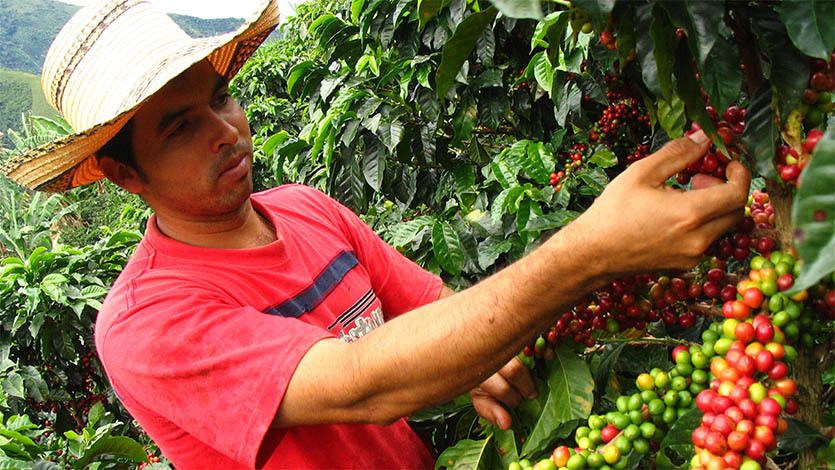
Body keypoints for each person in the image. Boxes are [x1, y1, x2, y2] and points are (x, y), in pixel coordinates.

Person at [1, 0, 751, 468]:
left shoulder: (304, 208)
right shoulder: (146, 323)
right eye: (179, 128)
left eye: (222, 98)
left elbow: (429, 311)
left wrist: (482, 357)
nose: (226, 133)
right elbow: (365, 384)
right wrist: (587, 253)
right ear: (127, 177)